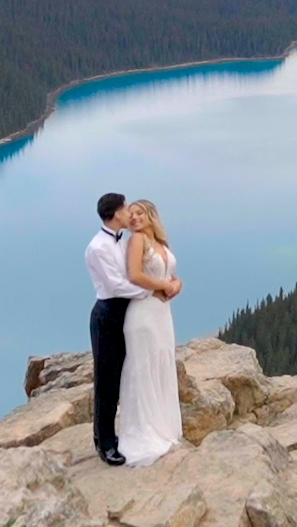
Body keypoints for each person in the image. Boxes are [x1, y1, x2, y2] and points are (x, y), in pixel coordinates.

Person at [115, 199, 184, 466]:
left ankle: (163, 426)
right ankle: (144, 431)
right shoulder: (137, 241)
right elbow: (134, 275)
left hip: (161, 314)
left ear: (151, 215)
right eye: (130, 214)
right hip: (142, 313)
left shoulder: (160, 244)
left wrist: (176, 283)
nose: (133, 218)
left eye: (139, 212)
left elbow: (169, 273)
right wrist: (163, 287)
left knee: (161, 361)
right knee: (142, 365)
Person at [85, 192, 144, 465]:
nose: (129, 210)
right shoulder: (98, 247)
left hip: (126, 311)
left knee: (124, 376)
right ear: (116, 213)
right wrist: (150, 292)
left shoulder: (123, 241)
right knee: (107, 380)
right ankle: (105, 443)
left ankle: (114, 435)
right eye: (125, 207)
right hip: (108, 314)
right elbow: (115, 285)